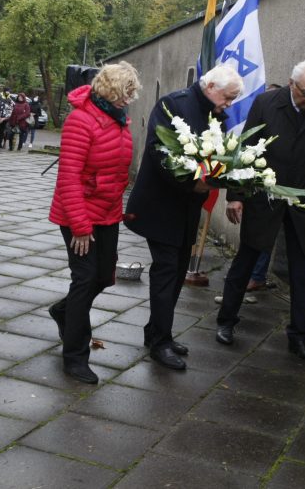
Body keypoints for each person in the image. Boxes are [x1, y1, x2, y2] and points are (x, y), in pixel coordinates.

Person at [214, 59, 305, 362]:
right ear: (291, 83)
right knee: (245, 261)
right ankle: (226, 322)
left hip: (302, 201)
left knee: (301, 272)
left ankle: (298, 336)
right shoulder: (266, 103)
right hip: (263, 195)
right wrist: (236, 195)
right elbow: (246, 150)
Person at [125, 64, 244, 370]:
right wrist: (193, 182)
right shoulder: (172, 104)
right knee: (166, 271)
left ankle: (156, 332)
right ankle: (160, 342)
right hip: (162, 205)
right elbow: (160, 151)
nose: (229, 104)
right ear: (212, 86)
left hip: (188, 208)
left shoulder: (215, 114)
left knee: (178, 271)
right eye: (228, 97)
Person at [48, 62, 142, 384]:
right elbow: (69, 177)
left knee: (104, 276)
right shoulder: (81, 120)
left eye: (131, 94)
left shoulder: (119, 121)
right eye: (125, 93)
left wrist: (120, 210)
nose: (129, 99)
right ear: (110, 89)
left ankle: (63, 312)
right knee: (85, 279)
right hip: (79, 214)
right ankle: (74, 357)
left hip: (107, 214)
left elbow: (116, 174)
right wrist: (81, 225)